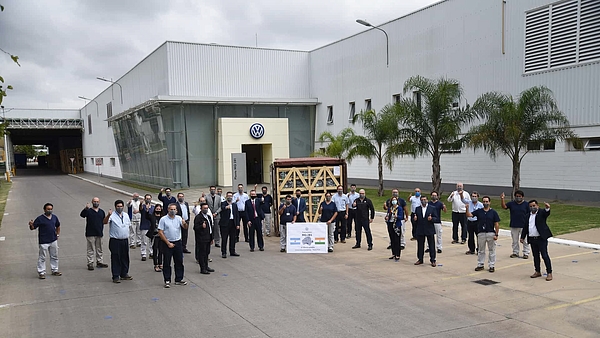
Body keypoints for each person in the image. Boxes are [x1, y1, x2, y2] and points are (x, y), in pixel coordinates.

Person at [466, 196, 500, 273]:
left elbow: (496, 224)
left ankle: (491, 265)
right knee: (481, 250)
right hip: (481, 233)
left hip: (490, 233)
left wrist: (496, 234)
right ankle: (480, 264)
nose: (485, 203)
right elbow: (469, 215)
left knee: (492, 250)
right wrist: (467, 208)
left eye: (487, 201)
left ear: (489, 202)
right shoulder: (479, 211)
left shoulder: (493, 212)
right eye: (484, 202)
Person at [158, 203, 189, 288]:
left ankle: (179, 279)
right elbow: (160, 232)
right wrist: (168, 243)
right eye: (171, 209)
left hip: (177, 242)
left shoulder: (179, 218)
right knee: (167, 262)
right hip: (167, 242)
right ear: (168, 210)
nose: (172, 211)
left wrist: (184, 223)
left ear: (176, 210)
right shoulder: (163, 219)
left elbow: (185, 227)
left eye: (174, 209)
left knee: (179, 261)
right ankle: (167, 280)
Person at [521, 200, 553, 281]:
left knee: (544, 255)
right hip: (532, 239)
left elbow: (546, 213)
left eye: (534, 206)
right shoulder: (528, 215)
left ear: (537, 206)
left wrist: (547, 208)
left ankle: (549, 272)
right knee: (535, 256)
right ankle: (537, 271)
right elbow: (525, 227)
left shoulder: (541, 213)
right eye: (531, 206)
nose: (532, 207)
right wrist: (522, 237)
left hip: (541, 239)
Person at [103, 200, 133, 283]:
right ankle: (115, 275)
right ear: (115, 207)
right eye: (118, 206)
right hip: (115, 240)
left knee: (125, 257)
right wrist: (108, 215)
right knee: (116, 257)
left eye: (121, 206)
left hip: (124, 240)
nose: (120, 208)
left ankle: (124, 273)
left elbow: (128, 225)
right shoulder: (112, 215)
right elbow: (104, 222)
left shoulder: (126, 215)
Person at [29, 203, 62, 279]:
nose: (49, 211)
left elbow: (58, 225)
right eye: (48, 209)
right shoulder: (40, 218)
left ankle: (55, 270)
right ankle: (41, 272)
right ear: (44, 210)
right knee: (42, 257)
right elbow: (33, 227)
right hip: (44, 241)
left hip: (53, 240)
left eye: (51, 209)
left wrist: (57, 234)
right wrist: (31, 225)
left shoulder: (54, 217)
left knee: (54, 256)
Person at [80, 197, 108, 270]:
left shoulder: (101, 212)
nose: (96, 203)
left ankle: (99, 261)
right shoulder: (88, 211)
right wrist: (86, 208)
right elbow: (82, 215)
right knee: (91, 249)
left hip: (99, 232)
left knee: (99, 248)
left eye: (97, 201)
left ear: (99, 202)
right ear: (92, 202)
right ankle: (90, 263)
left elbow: (104, 221)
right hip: (90, 233)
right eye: (94, 201)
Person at [501, 190, 530, 259]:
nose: (518, 198)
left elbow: (530, 214)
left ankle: (526, 253)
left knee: (525, 240)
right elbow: (504, 207)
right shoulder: (512, 204)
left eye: (519, 196)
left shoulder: (526, 204)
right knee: (514, 240)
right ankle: (515, 252)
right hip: (514, 225)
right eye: (516, 196)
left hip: (524, 225)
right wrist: (502, 199)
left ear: (522, 197)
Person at [413, 196, 439, 267]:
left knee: (431, 245)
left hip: (429, 229)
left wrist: (432, 218)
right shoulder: (417, 209)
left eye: (425, 199)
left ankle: (433, 260)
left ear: (427, 200)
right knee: (420, 245)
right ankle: (420, 259)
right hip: (420, 229)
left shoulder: (432, 208)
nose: (423, 201)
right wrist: (415, 219)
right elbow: (415, 220)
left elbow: (436, 218)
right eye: (422, 200)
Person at [194, 203, 215, 275]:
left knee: (207, 253)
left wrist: (212, 238)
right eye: (204, 208)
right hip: (202, 238)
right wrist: (201, 227)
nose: (205, 209)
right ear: (201, 209)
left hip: (208, 238)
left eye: (206, 208)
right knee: (202, 253)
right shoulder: (198, 217)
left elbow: (210, 229)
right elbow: (195, 228)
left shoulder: (208, 217)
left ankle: (206, 266)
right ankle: (202, 268)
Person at [219, 192, 241, 258]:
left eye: (231, 196)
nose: (229, 197)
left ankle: (232, 251)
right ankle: (224, 252)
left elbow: (237, 215)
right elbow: (222, 208)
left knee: (233, 238)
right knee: (224, 238)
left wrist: (237, 224)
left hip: (233, 223)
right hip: (225, 224)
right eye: (228, 196)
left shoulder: (234, 205)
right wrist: (226, 207)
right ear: (226, 196)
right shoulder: (223, 203)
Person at [385, 196, 407, 261]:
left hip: (396, 225)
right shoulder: (390, 208)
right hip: (390, 224)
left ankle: (398, 254)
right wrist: (387, 217)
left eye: (395, 200)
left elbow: (401, 216)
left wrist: (397, 216)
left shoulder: (399, 208)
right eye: (393, 200)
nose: (394, 201)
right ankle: (393, 253)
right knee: (392, 239)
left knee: (397, 240)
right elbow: (388, 215)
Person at [145, 203, 164, 272]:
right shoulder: (152, 216)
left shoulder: (163, 217)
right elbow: (146, 216)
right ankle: (155, 265)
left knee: (161, 251)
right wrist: (147, 209)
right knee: (155, 250)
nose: (158, 210)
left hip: (161, 236)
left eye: (159, 209)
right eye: (157, 209)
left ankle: (160, 263)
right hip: (154, 236)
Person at [465, 191, 483, 255]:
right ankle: (471, 249)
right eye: (473, 196)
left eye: (475, 196)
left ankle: (479, 250)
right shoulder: (469, 203)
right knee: (470, 236)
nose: (474, 198)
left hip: (477, 222)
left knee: (479, 236)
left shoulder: (480, 205)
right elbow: (462, 199)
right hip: (470, 221)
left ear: (478, 197)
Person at [139, 194, 154, 261]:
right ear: (144, 199)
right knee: (144, 241)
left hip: (151, 226)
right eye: (147, 198)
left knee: (151, 241)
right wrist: (141, 204)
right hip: (144, 226)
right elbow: (141, 209)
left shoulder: (153, 207)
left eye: (149, 198)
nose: (148, 200)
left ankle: (151, 253)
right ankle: (143, 254)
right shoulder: (143, 207)